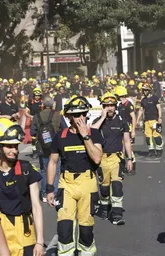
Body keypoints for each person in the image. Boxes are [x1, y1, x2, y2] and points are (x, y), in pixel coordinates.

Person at [0, 118, 44, 256]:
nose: (14, 150)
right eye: (9, 146)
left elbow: (36, 207)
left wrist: (40, 242)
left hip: (25, 234)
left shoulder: (27, 169)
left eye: (16, 146)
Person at [46, 96, 103, 255]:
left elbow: (97, 158)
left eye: (84, 113)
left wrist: (86, 136)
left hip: (87, 183)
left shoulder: (94, 134)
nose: (81, 118)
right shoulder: (60, 136)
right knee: (64, 228)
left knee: (85, 229)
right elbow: (52, 162)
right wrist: (50, 189)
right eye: (77, 115)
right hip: (67, 184)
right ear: (69, 117)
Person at [91, 92, 133, 225]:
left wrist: (130, 158)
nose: (110, 108)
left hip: (116, 158)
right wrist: (102, 117)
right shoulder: (97, 121)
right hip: (102, 159)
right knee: (104, 188)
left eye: (112, 105)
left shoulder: (122, 121)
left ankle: (117, 214)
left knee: (117, 186)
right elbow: (91, 131)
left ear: (116, 106)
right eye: (107, 105)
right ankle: (104, 207)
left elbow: (126, 141)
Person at [30, 96, 61, 202]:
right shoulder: (57, 115)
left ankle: (44, 193)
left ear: (43, 105)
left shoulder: (37, 116)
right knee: (56, 170)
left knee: (44, 170)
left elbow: (32, 132)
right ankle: (54, 193)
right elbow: (65, 128)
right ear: (52, 105)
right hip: (56, 146)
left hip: (43, 147)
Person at [136, 83, 163, 158]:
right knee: (148, 137)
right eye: (143, 90)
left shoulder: (155, 98)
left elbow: (159, 108)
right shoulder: (143, 100)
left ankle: (159, 151)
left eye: (146, 90)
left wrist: (160, 118)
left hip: (155, 120)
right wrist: (137, 120)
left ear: (149, 90)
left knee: (156, 137)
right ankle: (151, 151)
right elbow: (141, 110)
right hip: (146, 121)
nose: (144, 92)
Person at [115, 86, 137, 174]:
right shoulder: (119, 105)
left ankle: (132, 167)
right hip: (122, 128)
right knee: (122, 148)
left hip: (129, 128)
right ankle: (124, 166)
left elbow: (133, 118)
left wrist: (134, 131)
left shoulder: (128, 105)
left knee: (129, 149)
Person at [26, 88, 44, 159]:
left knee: (43, 136)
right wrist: (31, 116)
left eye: (38, 95)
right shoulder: (30, 102)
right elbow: (26, 112)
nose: (37, 97)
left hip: (41, 121)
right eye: (36, 95)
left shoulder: (43, 102)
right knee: (33, 137)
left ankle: (42, 150)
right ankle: (34, 151)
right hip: (33, 121)